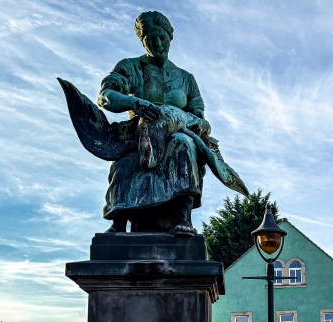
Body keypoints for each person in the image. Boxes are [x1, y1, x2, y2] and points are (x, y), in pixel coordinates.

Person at [60, 11, 248, 235]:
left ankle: (183, 216)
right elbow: (106, 96)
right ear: (143, 40)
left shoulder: (186, 79)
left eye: (163, 38)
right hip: (138, 133)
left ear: (170, 37)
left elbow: (200, 118)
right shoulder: (130, 67)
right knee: (126, 162)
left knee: (183, 144)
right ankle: (118, 221)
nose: (158, 44)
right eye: (151, 39)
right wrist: (136, 104)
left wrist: (181, 119)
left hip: (180, 131)